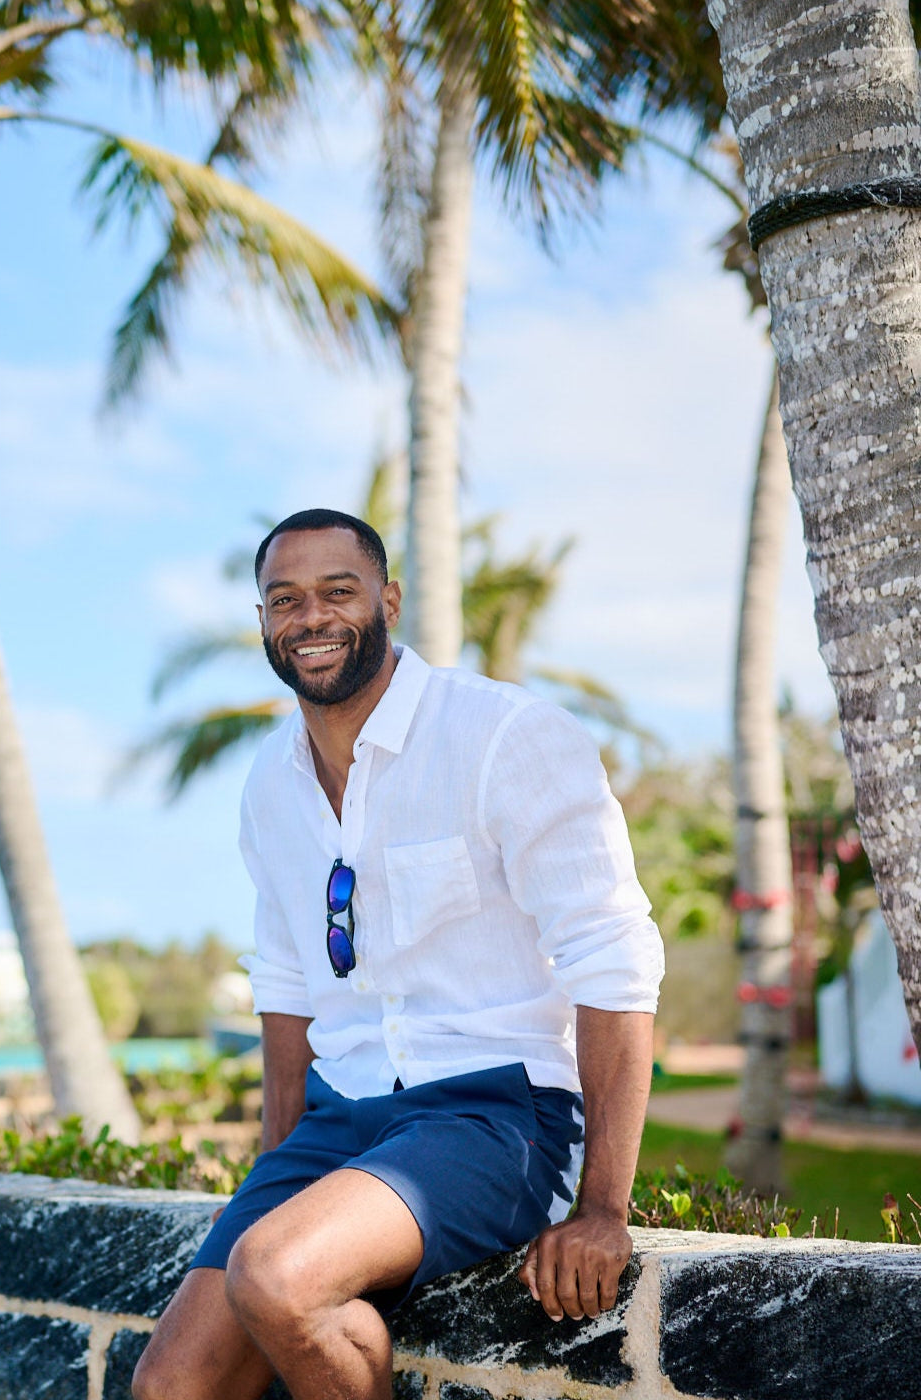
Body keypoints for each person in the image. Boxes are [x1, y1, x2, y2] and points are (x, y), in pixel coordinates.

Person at [132, 509, 662, 1400]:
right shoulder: (272, 781)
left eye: (338, 591)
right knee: (171, 1387)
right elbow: (289, 983)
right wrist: (277, 1174)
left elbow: (611, 958)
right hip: (342, 1121)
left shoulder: (501, 736)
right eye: (284, 600)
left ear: (389, 600)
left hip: (496, 1112)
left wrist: (604, 1209)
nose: (311, 617)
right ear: (262, 622)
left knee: (278, 1277)